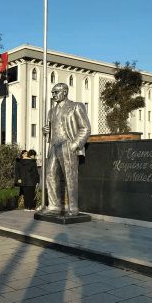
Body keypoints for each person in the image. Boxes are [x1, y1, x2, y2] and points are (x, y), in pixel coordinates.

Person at [42, 83, 91, 216]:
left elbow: (85, 128)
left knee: (70, 177)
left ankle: (73, 208)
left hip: (67, 145)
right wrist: (46, 131)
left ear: (65, 92)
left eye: (56, 92)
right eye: (52, 92)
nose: (53, 95)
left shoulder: (76, 106)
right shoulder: (51, 111)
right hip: (53, 146)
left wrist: (74, 144)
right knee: (50, 175)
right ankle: (54, 206)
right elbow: (52, 130)